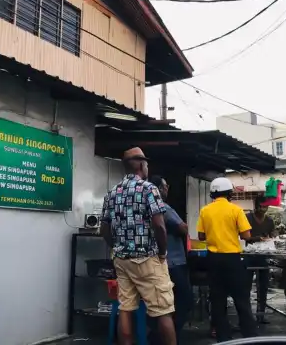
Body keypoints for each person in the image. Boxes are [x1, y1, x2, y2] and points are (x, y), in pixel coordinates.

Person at [100, 147, 177, 345]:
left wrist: (117, 246)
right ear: (142, 165)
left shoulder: (112, 192)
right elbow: (159, 226)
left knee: (126, 307)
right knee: (163, 310)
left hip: (121, 259)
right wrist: (162, 252)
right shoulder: (149, 188)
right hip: (147, 258)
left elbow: (104, 229)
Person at [196, 177, 258, 343]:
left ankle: (224, 337)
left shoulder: (205, 211)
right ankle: (250, 335)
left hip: (213, 259)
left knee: (217, 299)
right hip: (233, 259)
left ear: (213, 193)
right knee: (241, 298)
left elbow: (201, 236)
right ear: (229, 193)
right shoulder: (235, 210)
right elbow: (246, 235)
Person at [149, 175, 193, 344]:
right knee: (184, 300)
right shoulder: (163, 207)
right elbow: (182, 228)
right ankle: (167, 336)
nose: (167, 189)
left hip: (156, 262)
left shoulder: (144, 207)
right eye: (165, 186)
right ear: (159, 189)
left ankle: (161, 335)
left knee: (161, 303)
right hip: (172, 262)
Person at [245, 196, 276, 324]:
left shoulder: (269, 220)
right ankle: (246, 316)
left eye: (266, 207)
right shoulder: (247, 218)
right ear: (256, 206)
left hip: (264, 256)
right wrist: (258, 239)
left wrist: (273, 238)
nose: (264, 209)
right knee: (246, 287)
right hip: (249, 255)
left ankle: (261, 314)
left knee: (263, 286)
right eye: (262, 206)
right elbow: (244, 236)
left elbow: (273, 234)